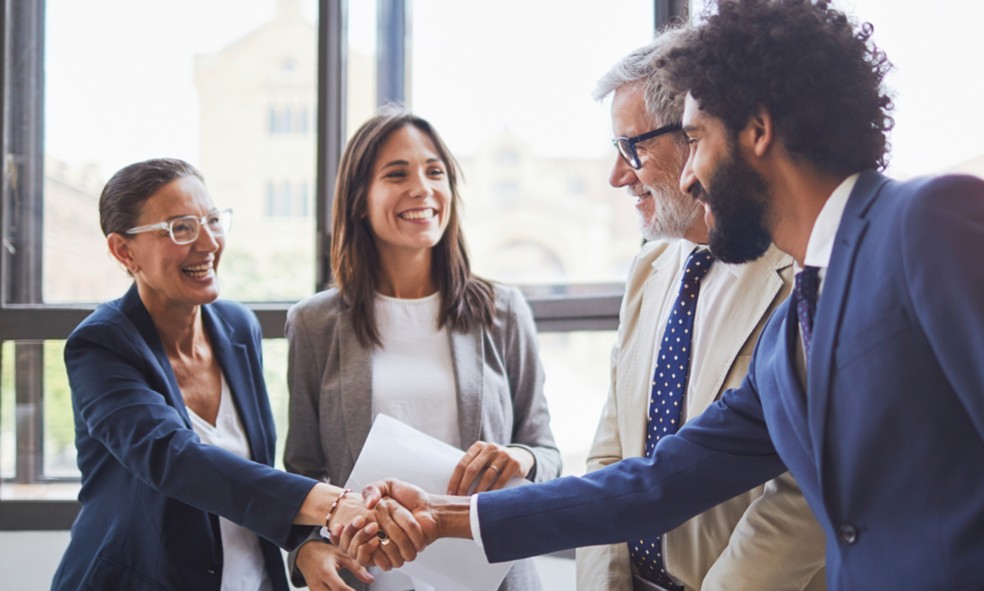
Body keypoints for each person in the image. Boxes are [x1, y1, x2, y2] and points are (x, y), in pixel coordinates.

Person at [353, 1, 984, 589]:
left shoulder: (937, 223)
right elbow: (657, 481)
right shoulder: (795, 331)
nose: (692, 175)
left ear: (759, 131)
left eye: (698, 138)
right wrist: (447, 515)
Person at [51, 158, 424, 591]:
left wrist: (303, 542)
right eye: (180, 228)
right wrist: (333, 503)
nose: (208, 242)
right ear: (123, 251)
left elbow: (252, 469)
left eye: (212, 220)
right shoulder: (101, 345)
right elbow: (175, 459)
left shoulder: (236, 327)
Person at [578, 30, 825, 591]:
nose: (619, 175)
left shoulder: (800, 274)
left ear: (694, 136)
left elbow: (801, 493)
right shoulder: (650, 268)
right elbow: (611, 451)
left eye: (631, 148)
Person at [284, 106, 561, 591]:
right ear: (359, 201)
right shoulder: (314, 324)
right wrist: (307, 547)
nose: (422, 188)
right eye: (397, 174)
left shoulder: (503, 311)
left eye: (435, 172)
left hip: (493, 579)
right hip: (369, 579)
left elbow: (547, 451)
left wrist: (522, 458)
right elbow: (303, 470)